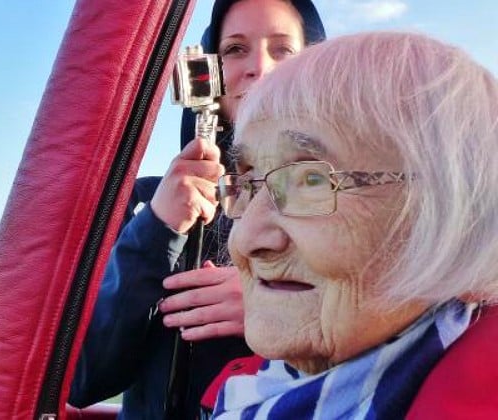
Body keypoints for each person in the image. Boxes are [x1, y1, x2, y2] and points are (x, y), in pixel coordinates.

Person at [210, 31, 498, 418]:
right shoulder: (255, 393)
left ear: (461, 226)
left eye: (311, 179)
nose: (244, 240)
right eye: (248, 182)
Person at [69, 1, 325, 418]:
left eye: (283, 50)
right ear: (210, 76)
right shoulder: (144, 205)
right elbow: (83, 378)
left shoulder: (351, 203)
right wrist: (158, 231)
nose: (258, 68)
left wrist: (281, 307)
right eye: (236, 50)